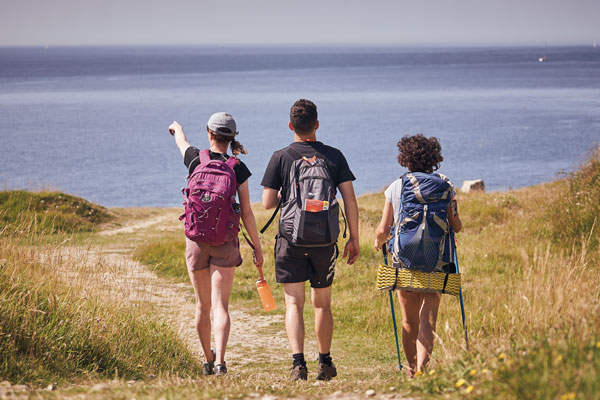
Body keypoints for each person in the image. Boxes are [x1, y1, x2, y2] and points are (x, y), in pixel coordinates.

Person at [261, 99, 360, 381]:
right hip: (325, 241)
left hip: (291, 241)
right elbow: (349, 199)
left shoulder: (281, 156)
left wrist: (288, 196)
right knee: (322, 303)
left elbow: (268, 203)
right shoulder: (334, 156)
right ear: (316, 125)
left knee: (294, 304)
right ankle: (325, 363)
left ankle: (298, 365)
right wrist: (354, 238)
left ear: (291, 126)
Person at [168, 112, 264, 376]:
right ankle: (221, 361)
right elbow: (246, 213)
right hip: (225, 241)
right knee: (221, 306)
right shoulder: (238, 168)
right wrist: (257, 247)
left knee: (202, 305)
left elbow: (181, 143)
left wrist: (177, 128)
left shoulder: (194, 159)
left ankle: (206, 358)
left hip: (196, 240)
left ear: (209, 133)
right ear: (232, 138)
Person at [374, 134, 462, 377]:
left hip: (405, 261)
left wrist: (378, 241)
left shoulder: (397, 186)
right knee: (428, 320)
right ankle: (423, 371)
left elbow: (384, 229)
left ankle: (412, 370)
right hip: (437, 260)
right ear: (434, 158)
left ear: (405, 159)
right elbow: (456, 225)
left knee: (409, 321)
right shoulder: (446, 185)